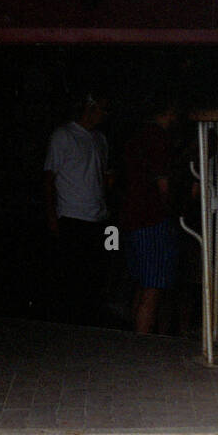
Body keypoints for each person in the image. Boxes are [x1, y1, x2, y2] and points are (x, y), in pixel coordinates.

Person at [43, 92, 110, 323]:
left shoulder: (100, 139)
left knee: (97, 269)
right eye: (102, 108)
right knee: (72, 272)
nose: (105, 114)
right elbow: (49, 178)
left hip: (98, 216)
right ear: (89, 108)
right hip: (71, 215)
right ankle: (68, 320)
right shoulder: (64, 135)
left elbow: (102, 176)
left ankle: (89, 318)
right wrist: (52, 216)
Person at [120, 99, 180, 335]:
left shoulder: (136, 136)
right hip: (152, 218)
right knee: (153, 286)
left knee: (142, 284)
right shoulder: (158, 138)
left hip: (132, 217)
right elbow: (163, 185)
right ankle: (142, 343)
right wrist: (172, 209)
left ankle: (135, 339)